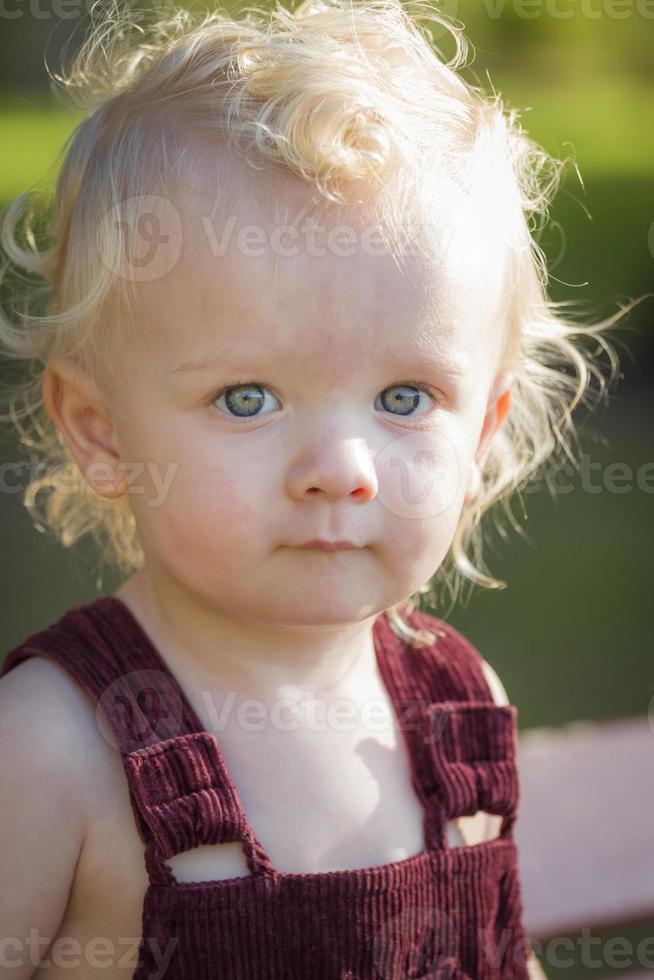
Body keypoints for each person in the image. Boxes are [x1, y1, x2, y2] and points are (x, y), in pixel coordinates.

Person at [0, 0, 630, 976]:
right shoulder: (54, 746)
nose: (341, 466)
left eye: (404, 395)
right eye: (247, 397)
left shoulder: (454, 711)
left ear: (485, 432)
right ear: (102, 430)